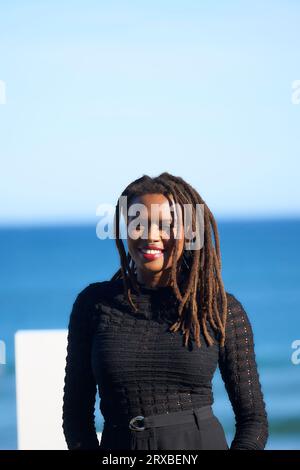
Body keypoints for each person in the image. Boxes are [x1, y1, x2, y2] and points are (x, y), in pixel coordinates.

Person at [62, 172, 269, 450]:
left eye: (167, 225)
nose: (151, 236)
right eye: (138, 224)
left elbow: (253, 420)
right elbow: (76, 418)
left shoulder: (220, 307)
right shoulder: (94, 304)